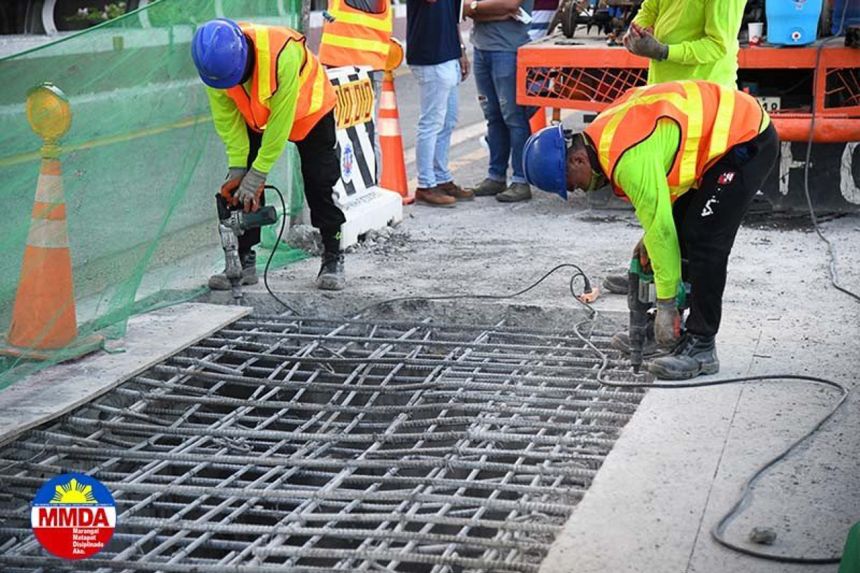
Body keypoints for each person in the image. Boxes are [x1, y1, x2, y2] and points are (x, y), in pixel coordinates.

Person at [522, 80, 779, 379]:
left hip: (746, 140)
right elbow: (665, 184)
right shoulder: (601, 135)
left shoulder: (627, 161)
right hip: (717, 145)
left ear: (578, 159)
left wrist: (667, 301)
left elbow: (660, 230)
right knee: (678, 232)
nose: (579, 190)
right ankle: (666, 330)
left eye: (572, 183)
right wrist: (651, 243)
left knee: (705, 238)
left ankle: (701, 346)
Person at [600, 0, 747, 295]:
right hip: (667, 99)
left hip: (704, 106)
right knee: (663, 193)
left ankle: (677, 286)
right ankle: (655, 272)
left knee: (691, 206)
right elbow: (650, 10)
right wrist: (637, 34)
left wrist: (663, 51)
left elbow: (716, 46)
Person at [192, 19, 347, 291]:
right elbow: (228, 121)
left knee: (319, 180)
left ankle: (332, 254)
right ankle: (243, 259)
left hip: (310, 111)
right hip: (258, 116)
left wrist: (259, 173)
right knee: (242, 185)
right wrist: (240, 168)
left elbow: (281, 121)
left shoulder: (281, 55)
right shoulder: (214, 68)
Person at [463, 0, 535, 203]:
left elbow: (510, 5)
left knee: (514, 116)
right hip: (481, 48)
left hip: (508, 50)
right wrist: (488, 10)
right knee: (493, 116)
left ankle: (521, 180)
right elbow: (464, 9)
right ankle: (496, 176)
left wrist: (476, 9)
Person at [407, 0, 474, 206]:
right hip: (430, 56)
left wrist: (461, 50)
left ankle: (442, 177)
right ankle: (426, 184)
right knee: (432, 123)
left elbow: (454, 18)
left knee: (447, 121)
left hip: (449, 55)